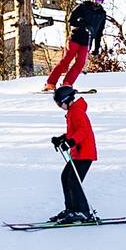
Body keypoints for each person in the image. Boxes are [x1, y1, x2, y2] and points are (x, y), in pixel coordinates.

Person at [47, 84, 98, 224]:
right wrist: (62, 139)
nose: (59, 106)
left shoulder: (77, 111)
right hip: (78, 153)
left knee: (74, 182)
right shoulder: (72, 111)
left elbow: (83, 131)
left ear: (67, 99)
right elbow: (74, 131)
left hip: (85, 153)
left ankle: (83, 212)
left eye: (59, 103)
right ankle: (71, 209)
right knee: (65, 177)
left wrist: (70, 142)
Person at [48, 0, 108, 91]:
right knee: (66, 61)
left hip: (87, 42)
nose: (98, 0)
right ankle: (50, 83)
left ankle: (67, 84)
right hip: (75, 38)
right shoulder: (83, 7)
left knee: (80, 63)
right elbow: (71, 20)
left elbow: (99, 32)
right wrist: (83, 24)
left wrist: (97, 48)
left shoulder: (102, 14)